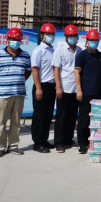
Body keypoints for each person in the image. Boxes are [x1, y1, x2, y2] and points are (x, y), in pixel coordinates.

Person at [0, 28, 31, 158]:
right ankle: (1, 147)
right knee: (1, 122)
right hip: (2, 95)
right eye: (13, 39)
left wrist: (18, 80)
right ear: (7, 40)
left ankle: (13, 146)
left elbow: (28, 71)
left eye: (18, 39)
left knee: (16, 122)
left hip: (19, 94)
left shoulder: (25, 55)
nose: (15, 41)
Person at [51, 25, 81, 153]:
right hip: (64, 87)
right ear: (66, 37)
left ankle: (68, 139)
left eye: (75, 36)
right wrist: (58, 87)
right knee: (61, 116)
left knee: (72, 116)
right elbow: (56, 69)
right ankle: (59, 142)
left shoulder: (80, 50)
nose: (73, 38)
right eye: (70, 36)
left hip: (75, 89)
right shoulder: (60, 50)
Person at [75, 29, 101, 154]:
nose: (94, 42)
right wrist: (79, 90)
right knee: (84, 120)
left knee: (96, 120)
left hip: (98, 92)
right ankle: (82, 143)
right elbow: (77, 73)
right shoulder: (81, 55)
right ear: (87, 41)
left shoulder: (100, 55)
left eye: (96, 40)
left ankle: (94, 140)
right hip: (86, 92)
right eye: (92, 40)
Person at [30, 23, 57, 153]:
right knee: (39, 116)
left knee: (48, 115)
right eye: (48, 34)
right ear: (42, 35)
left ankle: (44, 140)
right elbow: (35, 70)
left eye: (52, 34)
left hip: (51, 87)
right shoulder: (38, 51)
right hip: (41, 86)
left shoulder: (53, 50)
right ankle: (38, 143)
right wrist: (38, 88)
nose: (50, 36)